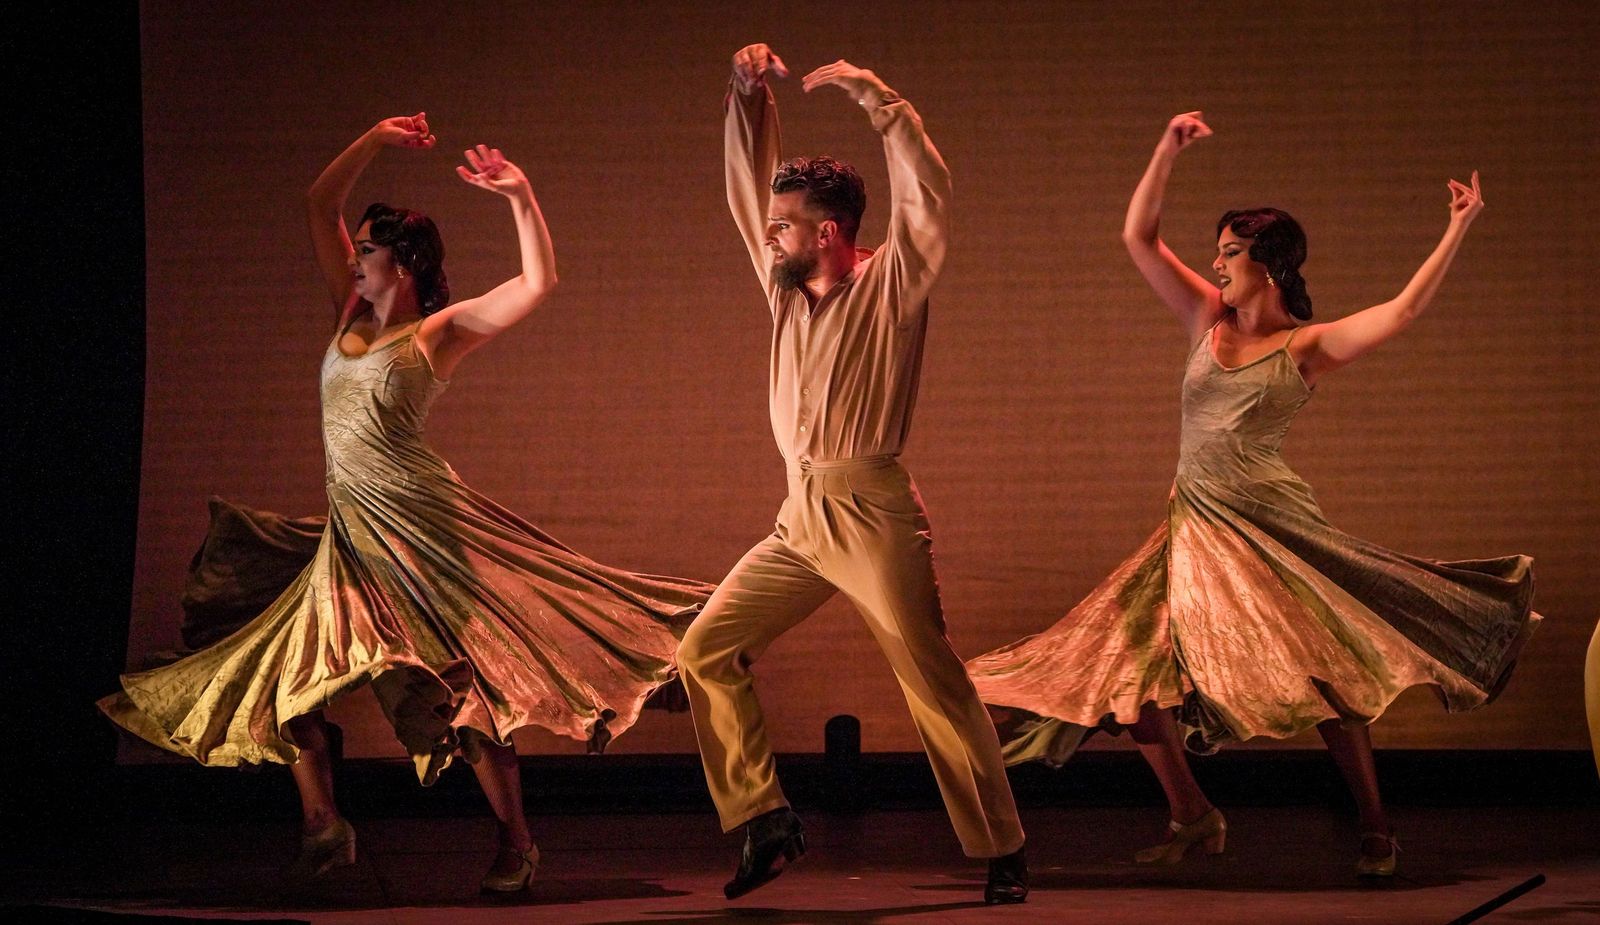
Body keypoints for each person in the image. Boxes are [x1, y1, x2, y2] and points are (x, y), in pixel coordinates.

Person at [100, 113, 713, 891]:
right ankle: (326, 824)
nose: (354, 259)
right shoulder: (348, 316)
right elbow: (318, 204)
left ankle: (516, 841)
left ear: (408, 261)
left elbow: (537, 284)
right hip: (353, 538)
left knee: (459, 694)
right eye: (355, 250)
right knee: (287, 671)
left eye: (368, 250)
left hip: (421, 532)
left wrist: (520, 194)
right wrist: (376, 139)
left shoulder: (437, 333)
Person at [968, 111, 1538, 878]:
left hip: (1267, 527)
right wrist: (1165, 151)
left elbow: (1401, 311)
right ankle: (1193, 813)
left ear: (1268, 264)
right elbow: (1140, 238)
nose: (1219, 262)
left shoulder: (1303, 346)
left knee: (1326, 678)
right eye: (1219, 251)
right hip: (1191, 525)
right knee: (1132, 675)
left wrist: (1459, 224)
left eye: (1232, 252)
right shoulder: (1207, 319)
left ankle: (1375, 823)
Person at [676, 46, 1028, 904]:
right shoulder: (785, 285)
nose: (771, 235)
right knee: (705, 650)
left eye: (786, 225)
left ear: (827, 232)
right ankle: (764, 817)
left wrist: (884, 104)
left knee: (931, 677)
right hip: (801, 512)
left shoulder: (891, 285)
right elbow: (742, 193)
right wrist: (746, 96)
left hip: (871, 506)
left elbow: (926, 198)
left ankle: (1002, 843)